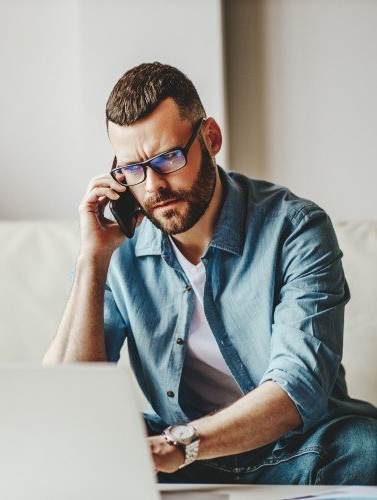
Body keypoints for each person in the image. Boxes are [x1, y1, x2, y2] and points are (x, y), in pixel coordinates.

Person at [43, 62, 377, 485]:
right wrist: (93, 259)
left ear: (211, 138)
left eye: (167, 159)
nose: (152, 188)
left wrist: (182, 444)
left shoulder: (296, 228)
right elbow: (64, 398)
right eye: (132, 170)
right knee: (79, 447)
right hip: (173, 450)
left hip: (296, 448)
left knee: (366, 448)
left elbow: (297, 387)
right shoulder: (119, 249)